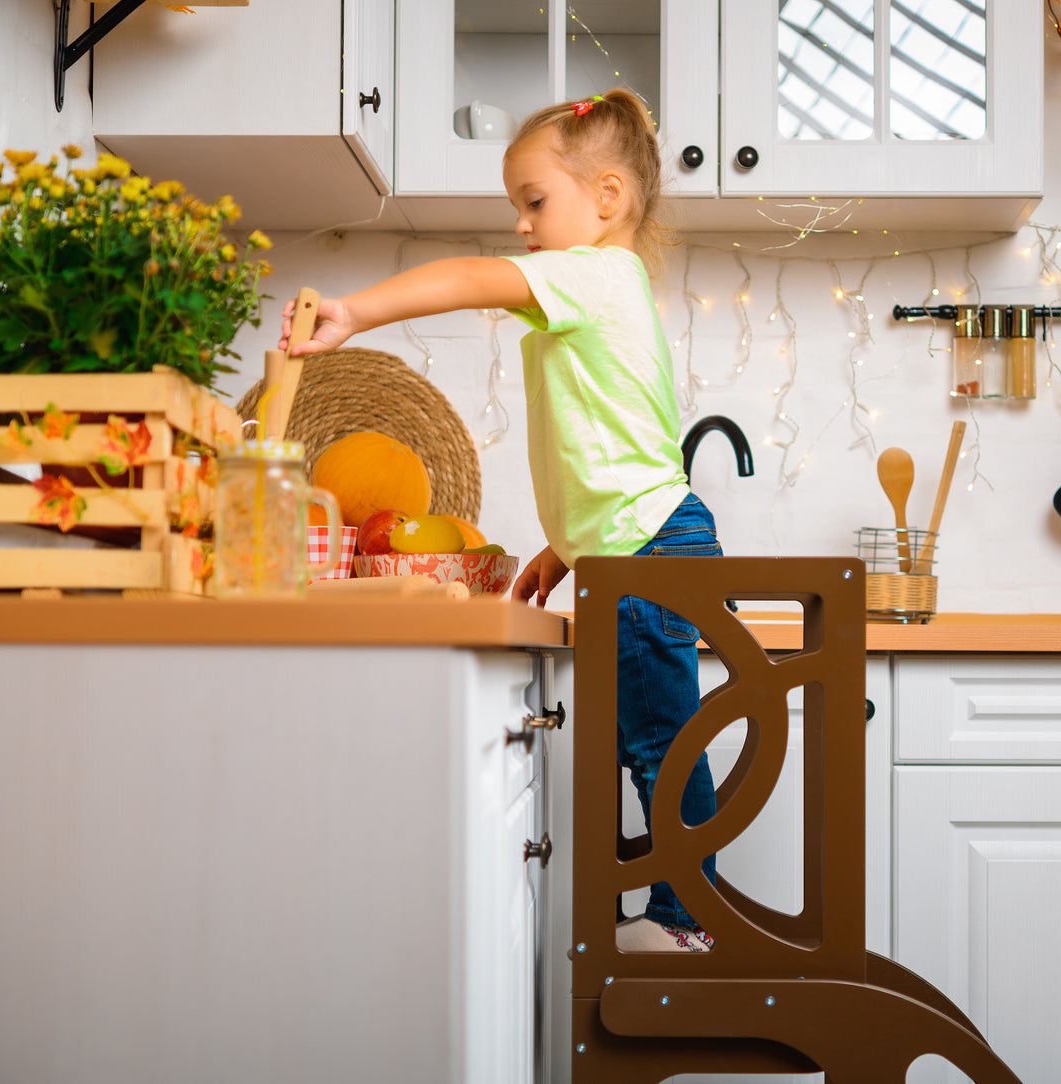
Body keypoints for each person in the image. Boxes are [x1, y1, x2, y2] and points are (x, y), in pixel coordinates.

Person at [279, 88, 719, 953]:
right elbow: (621, 445)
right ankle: (684, 916)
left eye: (533, 202)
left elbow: (470, 277)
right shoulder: (609, 287)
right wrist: (565, 547)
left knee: (659, 744)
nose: (520, 226)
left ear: (606, 198)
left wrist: (357, 312)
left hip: (646, 546)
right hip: (641, 537)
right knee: (657, 739)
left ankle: (687, 923)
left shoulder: (589, 274)